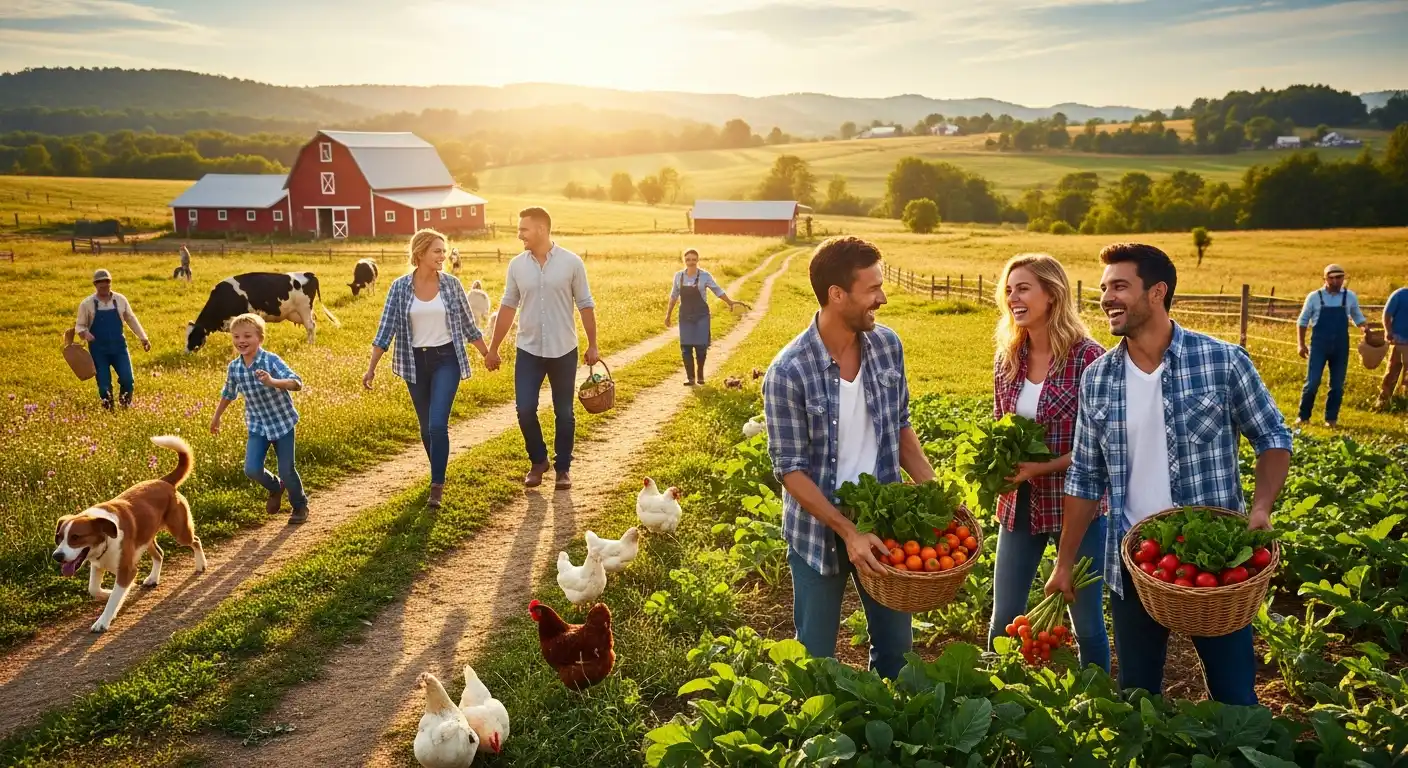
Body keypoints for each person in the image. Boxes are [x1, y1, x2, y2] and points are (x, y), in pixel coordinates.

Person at [1045, 243, 1292, 706]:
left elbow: (1272, 435)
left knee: (1235, 695)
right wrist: (1064, 564)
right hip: (1137, 559)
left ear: (1157, 292)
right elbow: (1083, 478)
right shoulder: (1098, 378)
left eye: (1119, 286)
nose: (1106, 297)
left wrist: (1261, 507)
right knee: (1138, 694)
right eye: (1103, 288)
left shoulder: (1222, 361)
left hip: (1215, 559)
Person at [762, 236, 937, 680]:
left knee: (898, 653)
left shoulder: (886, 346)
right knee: (817, 661)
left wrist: (934, 492)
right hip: (819, 528)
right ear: (837, 295)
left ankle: (891, 737)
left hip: (883, 523)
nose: (882, 296)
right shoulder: (788, 372)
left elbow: (900, 426)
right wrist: (848, 530)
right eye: (872, 288)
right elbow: (791, 470)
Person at [986, 254, 1110, 672]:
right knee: (1004, 616)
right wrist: (996, 466)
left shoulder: (1089, 359)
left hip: (1077, 503)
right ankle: (995, 690)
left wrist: (1042, 468)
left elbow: (1104, 445)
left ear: (1052, 295)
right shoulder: (1008, 357)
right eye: (1009, 289)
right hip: (1020, 502)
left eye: (1023, 288)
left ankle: (1099, 698)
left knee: (1086, 617)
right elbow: (999, 427)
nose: (1013, 298)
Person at [365, 229, 491, 509]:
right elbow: (385, 330)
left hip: (447, 359)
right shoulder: (399, 287)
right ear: (420, 253)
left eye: (444, 251)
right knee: (426, 428)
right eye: (437, 251)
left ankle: (437, 486)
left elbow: (470, 325)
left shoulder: (452, 285)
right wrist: (371, 368)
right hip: (414, 363)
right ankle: (440, 469)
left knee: (437, 424)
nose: (443, 256)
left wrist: (486, 353)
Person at [484, 207, 598, 491]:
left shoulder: (572, 263)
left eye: (524, 229)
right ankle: (538, 461)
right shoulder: (516, 266)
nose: (519, 234)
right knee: (524, 409)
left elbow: (585, 304)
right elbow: (508, 306)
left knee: (564, 412)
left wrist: (593, 344)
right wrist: (493, 348)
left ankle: (563, 469)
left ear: (541, 230)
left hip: (563, 349)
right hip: (529, 349)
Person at [210, 313, 310, 524]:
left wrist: (273, 381)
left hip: (282, 423)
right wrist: (216, 417)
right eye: (236, 337)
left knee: (286, 469)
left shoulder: (270, 360)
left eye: (247, 336)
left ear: (260, 338)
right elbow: (228, 393)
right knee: (252, 469)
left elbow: (297, 383)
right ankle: (276, 487)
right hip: (258, 424)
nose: (241, 341)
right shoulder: (234, 368)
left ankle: (300, 506)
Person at [1296, 264, 1368, 427]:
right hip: (1319, 345)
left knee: (1337, 384)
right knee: (1312, 382)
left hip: (1341, 346)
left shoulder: (1350, 297)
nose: (1335, 281)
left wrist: (1366, 329)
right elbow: (1302, 322)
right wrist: (1300, 344)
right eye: (1331, 278)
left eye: (1339, 278)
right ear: (1325, 279)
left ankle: (1331, 419)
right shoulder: (1314, 297)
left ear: (1344, 278)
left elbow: (1358, 317)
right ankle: (1303, 416)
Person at [664, 248, 749, 386]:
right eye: (688, 260)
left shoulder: (705, 276)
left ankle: (700, 375)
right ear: (684, 261)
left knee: (701, 346)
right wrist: (668, 315)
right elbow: (673, 296)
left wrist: (730, 302)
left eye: (693, 259)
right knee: (685, 347)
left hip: (701, 314)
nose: (691, 262)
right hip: (685, 315)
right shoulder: (678, 276)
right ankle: (690, 378)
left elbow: (717, 290)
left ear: (697, 260)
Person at [74, 268, 151, 410]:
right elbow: (79, 326)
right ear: (95, 285)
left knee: (128, 380)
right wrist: (85, 333)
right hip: (98, 351)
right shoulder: (87, 304)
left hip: (119, 348)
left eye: (107, 285)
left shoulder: (120, 300)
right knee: (104, 385)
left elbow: (131, 319)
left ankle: (124, 408)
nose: (104, 288)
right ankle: (109, 412)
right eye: (101, 286)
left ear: (110, 283)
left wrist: (143, 338)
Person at [1378, 286, 1408, 410]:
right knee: (1393, 369)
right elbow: (1387, 314)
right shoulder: (1400, 295)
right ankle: (1383, 400)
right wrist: (1388, 331)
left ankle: (1404, 399)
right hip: (1400, 338)